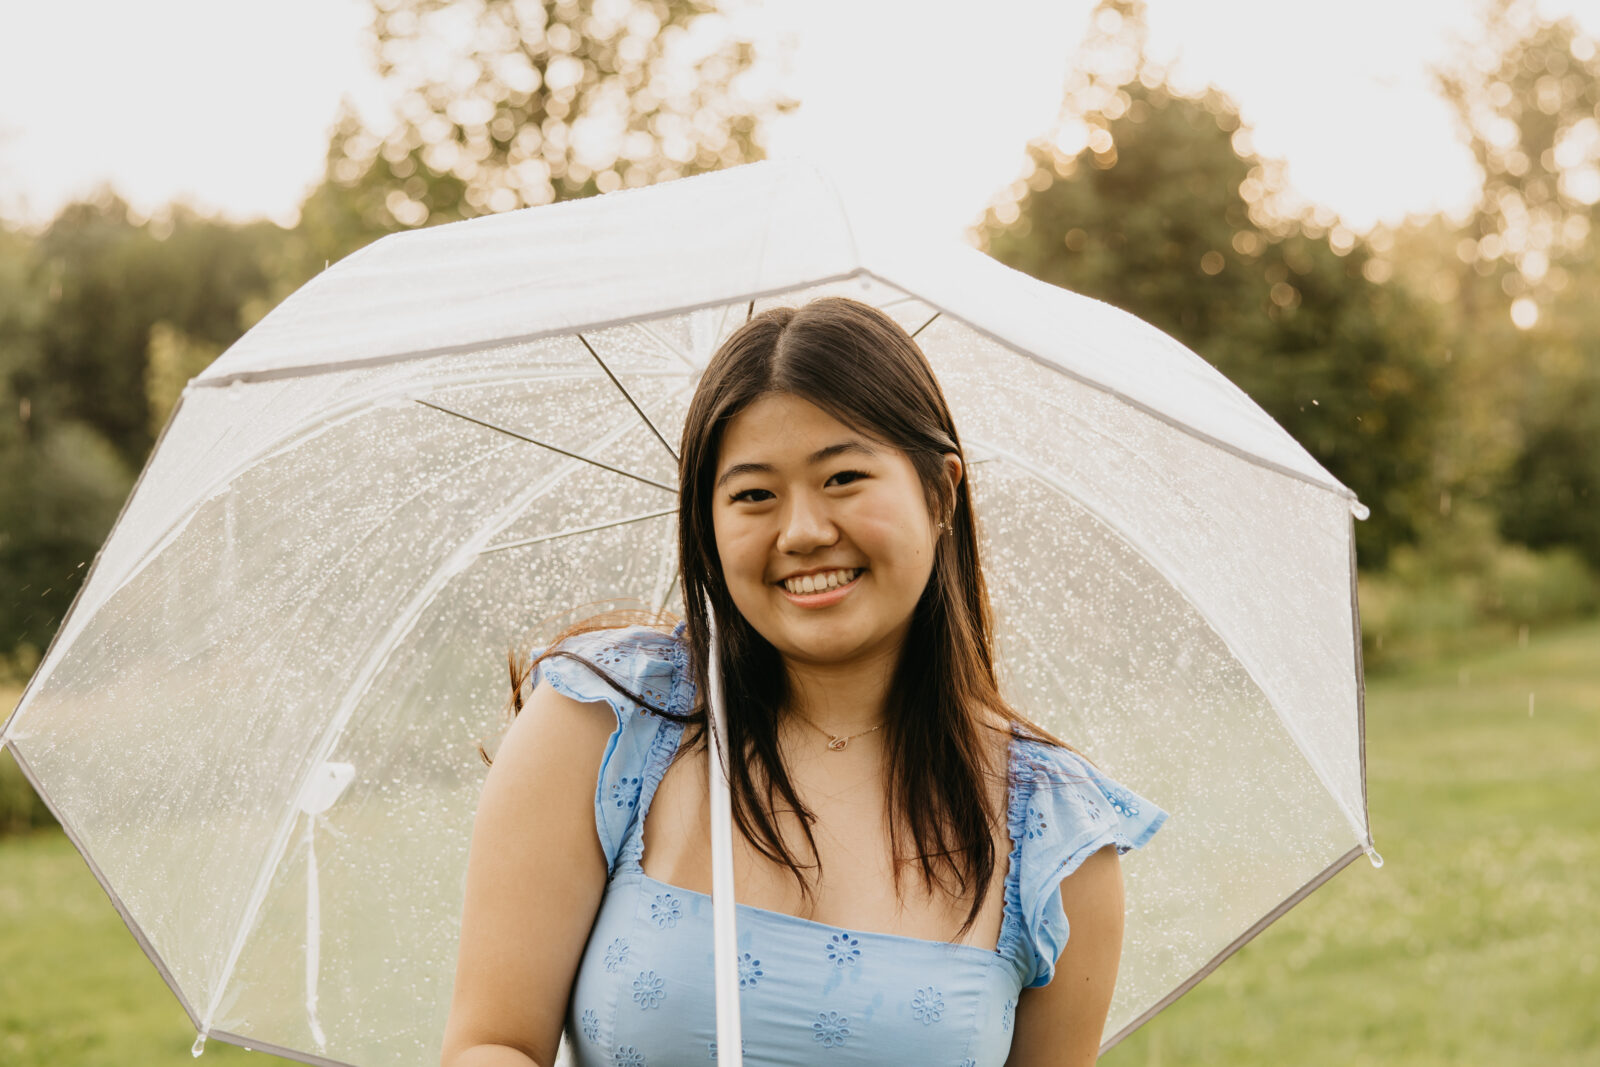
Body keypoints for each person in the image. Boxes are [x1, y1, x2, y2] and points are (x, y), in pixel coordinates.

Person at [439, 297, 1167, 1067]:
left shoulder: (1055, 835)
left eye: (844, 477)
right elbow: (493, 1042)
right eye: (754, 494)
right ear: (707, 522)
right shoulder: (604, 721)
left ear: (941, 491)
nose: (803, 532)